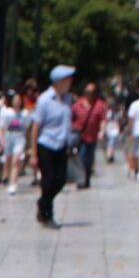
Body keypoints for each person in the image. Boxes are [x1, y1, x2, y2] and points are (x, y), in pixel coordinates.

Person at [32, 65, 76, 228]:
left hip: (62, 145)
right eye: (68, 79)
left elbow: (67, 123)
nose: (71, 82)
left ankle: (43, 202)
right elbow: (36, 126)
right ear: (59, 81)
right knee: (48, 181)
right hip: (46, 144)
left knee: (61, 180)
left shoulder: (67, 98)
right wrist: (33, 153)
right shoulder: (44, 100)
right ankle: (47, 214)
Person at [72, 81, 109, 189]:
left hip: (92, 136)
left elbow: (103, 119)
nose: (88, 94)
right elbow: (71, 117)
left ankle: (86, 178)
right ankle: (81, 179)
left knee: (89, 158)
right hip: (79, 135)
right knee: (81, 157)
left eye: (91, 92)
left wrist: (102, 131)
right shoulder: (78, 104)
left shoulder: (99, 105)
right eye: (87, 92)